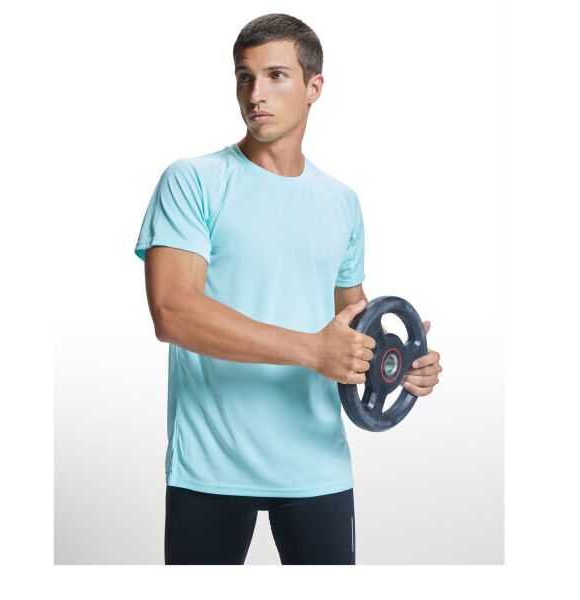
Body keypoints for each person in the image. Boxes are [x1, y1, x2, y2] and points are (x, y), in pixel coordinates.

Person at [134, 13, 442, 565]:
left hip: (317, 463)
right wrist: (312, 350)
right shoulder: (194, 179)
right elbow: (173, 312)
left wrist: (400, 364)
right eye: (244, 77)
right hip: (212, 466)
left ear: (313, 86)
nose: (256, 94)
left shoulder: (341, 201)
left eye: (276, 75)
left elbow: (354, 326)